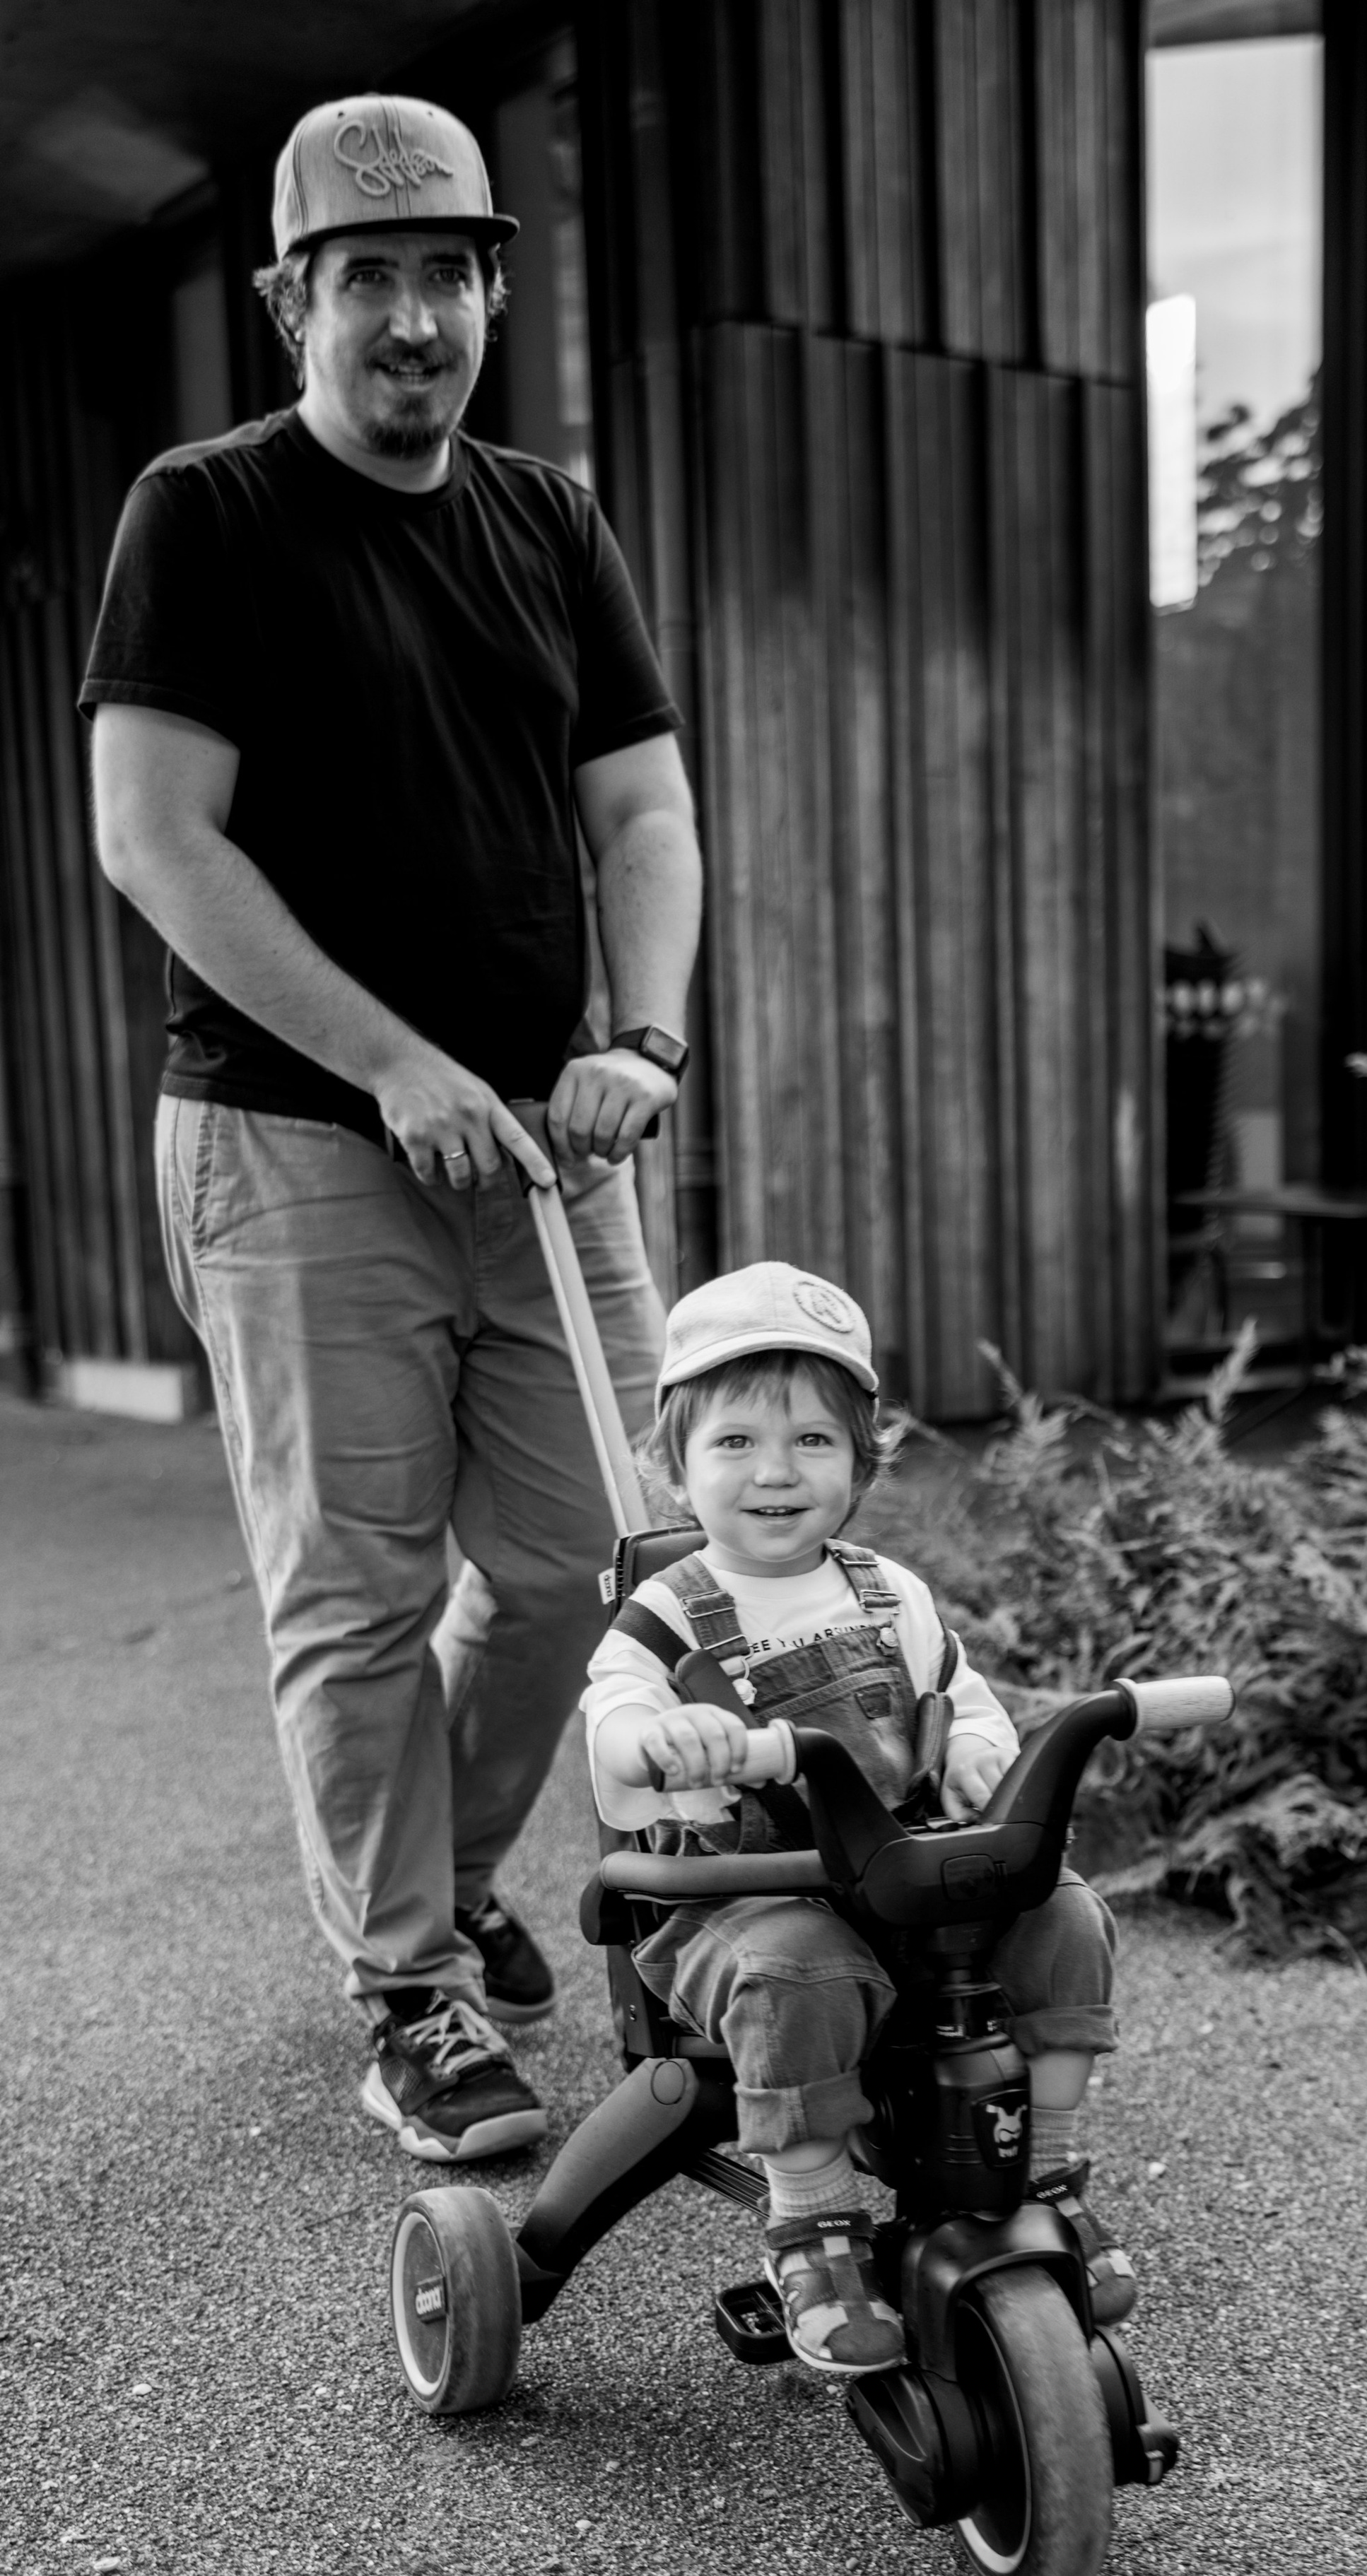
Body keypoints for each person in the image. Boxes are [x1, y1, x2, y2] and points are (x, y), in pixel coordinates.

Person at [81, 94, 702, 2163]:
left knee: (588, 1553)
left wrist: (646, 1038)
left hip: (543, 1151)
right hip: (292, 1144)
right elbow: (158, 835)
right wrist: (392, 1062)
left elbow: (642, 811)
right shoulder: (205, 514)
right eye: (369, 280)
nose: (416, 317)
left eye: (449, 272)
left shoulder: (552, 522)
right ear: (293, 305)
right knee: (353, 1593)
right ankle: (411, 1989)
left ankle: (440, 1880)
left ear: (494, 295)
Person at [582, 1262, 1137, 2375]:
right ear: (675, 1467)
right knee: (798, 1967)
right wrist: (665, 1739)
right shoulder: (666, 1612)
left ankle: (1048, 2161)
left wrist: (977, 1754)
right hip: (745, 1901)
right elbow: (613, 1727)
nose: (775, 1470)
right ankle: (814, 2221)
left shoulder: (892, 1592)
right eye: (735, 1441)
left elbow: (962, 1700)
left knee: (1062, 1914)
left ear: (861, 1461)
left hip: (909, 1881)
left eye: (812, 1440)